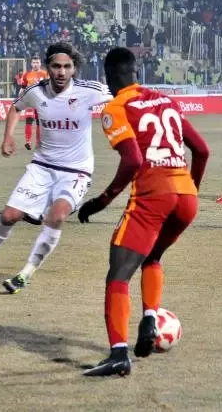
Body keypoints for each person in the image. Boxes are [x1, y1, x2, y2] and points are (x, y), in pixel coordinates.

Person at [79, 47, 209, 377]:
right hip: (186, 197)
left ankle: (118, 355)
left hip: (153, 195)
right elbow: (202, 150)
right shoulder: (166, 100)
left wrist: (103, 200)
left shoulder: (115, 107)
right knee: (152, 256)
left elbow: (133, 160)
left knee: (118, 274)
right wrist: (190, 189)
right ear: (136, 72)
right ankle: (150, 318)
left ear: (109, 77)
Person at [0, 42, 113, 294]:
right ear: (47, 68)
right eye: (56, 66)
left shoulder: (90, 90)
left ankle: (26, 273)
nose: (61, 72)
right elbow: (15, 108)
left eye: (67, 67)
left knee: (56, 216)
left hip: (76, 170)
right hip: (42, 166)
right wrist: (8, 136)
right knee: (9, 215)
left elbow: (126, 94)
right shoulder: (35, 91)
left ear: (74, 68)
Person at [21, 55, 49, 150]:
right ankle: (28, 142)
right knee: (29, 119)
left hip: (41, 101)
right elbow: (23, 88)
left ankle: (38, 142)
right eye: (34, 62)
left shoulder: (45, 74)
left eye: (37, 62)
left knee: (39, 122)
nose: (35, 64)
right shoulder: (27, 74)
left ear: (40, 64)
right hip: (30, 100)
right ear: (31, 64)